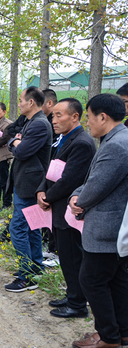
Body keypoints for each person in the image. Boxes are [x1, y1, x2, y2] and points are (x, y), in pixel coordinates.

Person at [69, 94, 128, 348]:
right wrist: (77, 193)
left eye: (89, 117)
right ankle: (121, 331)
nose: (87, 122)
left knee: (91, 280)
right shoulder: (119, 138)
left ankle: (108, 337)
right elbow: (94, 179)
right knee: (115, 281)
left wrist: (78, 201)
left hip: (106, 228)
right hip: (115, 228)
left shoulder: (116, 146)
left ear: (103, 117)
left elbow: (96, 186)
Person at [34, 98, 96, 319]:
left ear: (75, 116)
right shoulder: (63, 139)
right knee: (66, 258)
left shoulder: (82, 142)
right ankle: (72, 296)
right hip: (56, 207)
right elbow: (50, 169)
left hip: (69, 213)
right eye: (53, 115)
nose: (54, 120)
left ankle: (78, 304)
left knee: (72, 259)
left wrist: (47, 197)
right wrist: (41, 190)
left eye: (59, 115)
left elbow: (70, 180)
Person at [4, 86, 52, 292]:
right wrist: (15, 140)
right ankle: (36, 266)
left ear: (31, 102)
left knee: (18, 228)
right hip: (25, 182)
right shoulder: (31, 122)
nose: (19, 103)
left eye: (21, 100)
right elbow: (11, 140)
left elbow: (21, 151)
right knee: (33, 226)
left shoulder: (39, 124)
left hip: (31, 185)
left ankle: (27, 275)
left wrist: (16, 142)